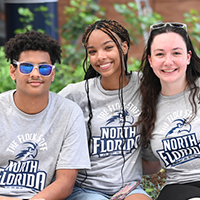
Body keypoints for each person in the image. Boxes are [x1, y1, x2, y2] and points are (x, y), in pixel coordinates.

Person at [59, 19, 160, 200]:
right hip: (86, 189)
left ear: (124, 47)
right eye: (92, 51)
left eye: (108, 48)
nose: (100, 57)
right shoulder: (76, 94)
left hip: (129, 187)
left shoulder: (145, 86)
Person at [0, 30, 90, 200]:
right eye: (26, 67)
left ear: (53, 74)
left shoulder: (69, 113)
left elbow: (65, 183)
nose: (35, 74)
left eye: (44, 68)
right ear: (13, 71)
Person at [137, 22, 200, 200]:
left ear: (188, 57)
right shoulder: (147, 104)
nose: (168, 61)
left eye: (176, 53)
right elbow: (151, 164)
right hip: (178, 187)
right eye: (160, 54)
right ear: (150, 60)